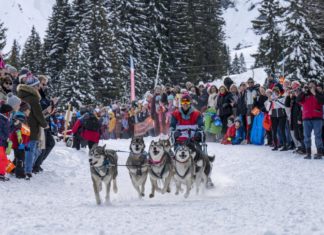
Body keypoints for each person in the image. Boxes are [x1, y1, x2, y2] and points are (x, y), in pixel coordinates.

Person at [17, 77, 48, 180]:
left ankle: (20, 168)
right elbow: (38, 114)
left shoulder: (21, 95)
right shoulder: (33, 98)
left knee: (24, 147)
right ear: (34, 86)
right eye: (38, 85)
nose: (39, 87)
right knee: (31, 148)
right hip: (32, 127)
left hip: (22, 125)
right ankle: (28, 170)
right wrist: (44, 124)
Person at [296, 80, 324, 159]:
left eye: (313, 85)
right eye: (310, 85)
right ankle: (308, 153)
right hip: (306, 118)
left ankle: (319, 153)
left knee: (318, 136)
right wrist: (303, 92)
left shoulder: (319, 93)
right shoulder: (304, 94)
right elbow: (297, 100)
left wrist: (315, 93)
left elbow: (322, 101)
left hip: (317, 118)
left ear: (315, 86)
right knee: (306, 136)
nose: (311, 86)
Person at [0, 103, 13, 181]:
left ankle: (1, 173)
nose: (11, 114)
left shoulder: (5, 119)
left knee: (3, 159)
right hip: (0, 143)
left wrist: (14, 126)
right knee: (3, 159)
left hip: (3, 143)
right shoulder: (1, 120)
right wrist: (5, 138)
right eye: (10, 112)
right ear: (6, 112)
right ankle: (1, 174)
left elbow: (7, 131)